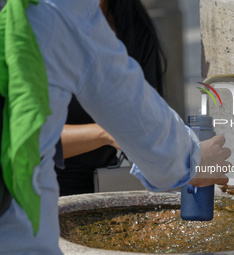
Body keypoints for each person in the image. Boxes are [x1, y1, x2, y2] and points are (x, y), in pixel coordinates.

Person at [0, 0, 231, 254]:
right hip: (19, 216)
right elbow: (135, 115)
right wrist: (195, 159)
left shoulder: (131, 24)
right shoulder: (62, 10)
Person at [56, 0, 167, 196]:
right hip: (32, 194)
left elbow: (149, 121)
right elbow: (27, 139)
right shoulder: (37, 25)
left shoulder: (133, 24)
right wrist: (107, 132)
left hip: (106, 186)